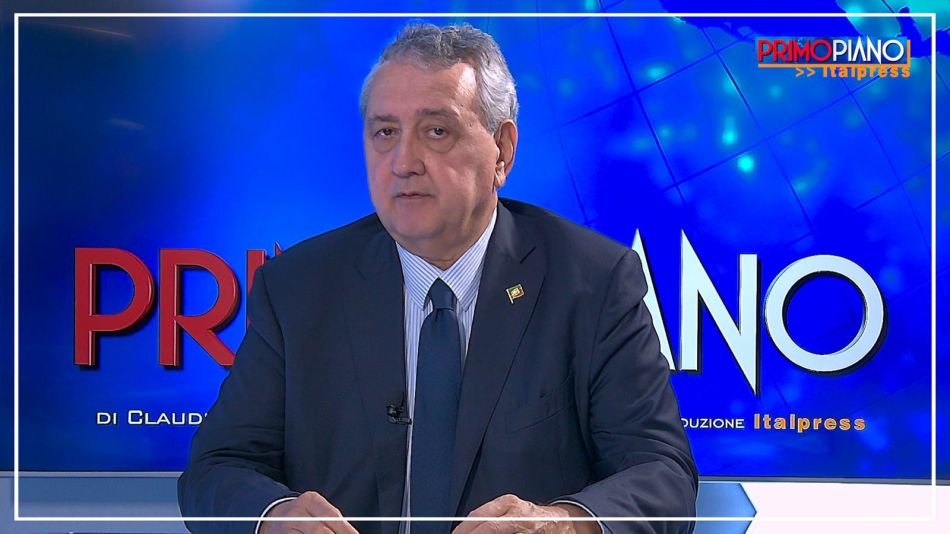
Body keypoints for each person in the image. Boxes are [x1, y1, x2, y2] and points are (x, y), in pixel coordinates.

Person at [178, 22, 697, 534]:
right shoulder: (297, 287)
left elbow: (663, 474)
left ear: (502, 150)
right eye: (385, 132)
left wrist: (563, 525)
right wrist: (274, 517)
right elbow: (217, 468)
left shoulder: (593, 282)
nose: (403, 162)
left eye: (436, 131)